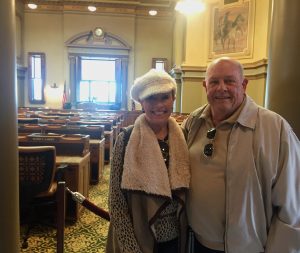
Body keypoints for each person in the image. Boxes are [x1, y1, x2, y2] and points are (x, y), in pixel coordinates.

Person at [182, 57, 300, 253]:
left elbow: (293, 205)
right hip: (197, 243)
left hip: (249, 248)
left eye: (229, 81)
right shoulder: (194, 122)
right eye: (214, 82)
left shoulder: (275, 128)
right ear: (205, 86)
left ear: (244, 84)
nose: (221, 88)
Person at [106, 69, 190, 253]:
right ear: (141, 102)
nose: (158, 104)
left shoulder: (183, 137)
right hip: (138, 236)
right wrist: (129, 246)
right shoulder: (126, 139)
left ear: (173, 99)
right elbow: (116, 201)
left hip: (176, 239)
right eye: (151, 98)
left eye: (164, 97)